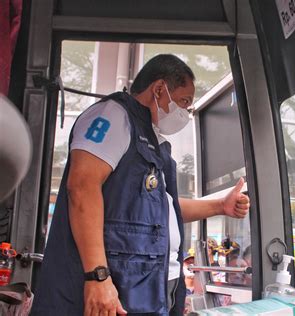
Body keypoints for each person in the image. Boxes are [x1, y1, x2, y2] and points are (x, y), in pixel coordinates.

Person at [31, 54, 250, 316]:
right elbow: (82, 187)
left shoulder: (152, 140)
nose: (186, 113)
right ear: (159, 89)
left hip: (150, 285)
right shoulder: (113, 116)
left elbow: (161, 210)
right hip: (115, 282)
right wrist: (98, 277)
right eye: (184, 102)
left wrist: (220, 206)